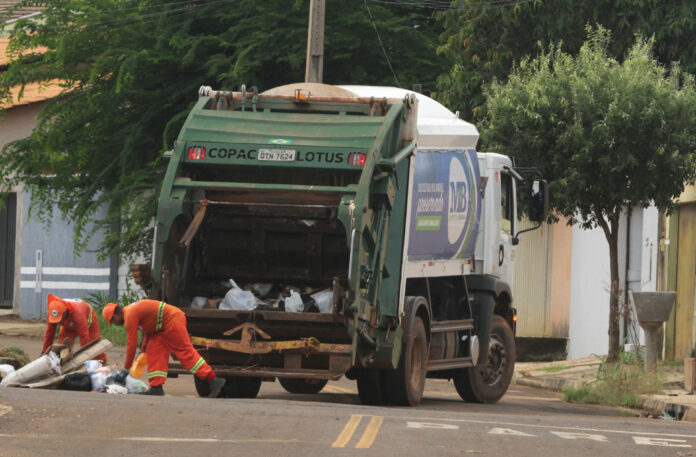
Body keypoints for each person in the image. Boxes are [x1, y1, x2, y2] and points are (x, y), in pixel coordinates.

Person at [102, 299, 225, 397]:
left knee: (185, 354)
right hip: (161, 327)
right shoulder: (130, 310)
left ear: (114, 316)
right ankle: (156, 387)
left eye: (113, 321)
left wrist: (126, 369)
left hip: (172, 321)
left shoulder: (129, 316)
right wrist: (143, 349)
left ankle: (213, 379)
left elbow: (131, 344)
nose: (115, 324)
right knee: (153, 351)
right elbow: (148, 329)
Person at [42, 294, 107, 363]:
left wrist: (84, 357)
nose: (59, 321)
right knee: (62, 349)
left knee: (94, 348)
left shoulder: (78, 313)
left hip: (88, 323)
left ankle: (101, 365)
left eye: (59, 319)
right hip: (69, 326)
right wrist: (44, 353)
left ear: (65, 312)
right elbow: (49, 333)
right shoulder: (53, 312)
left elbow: (84, 336)